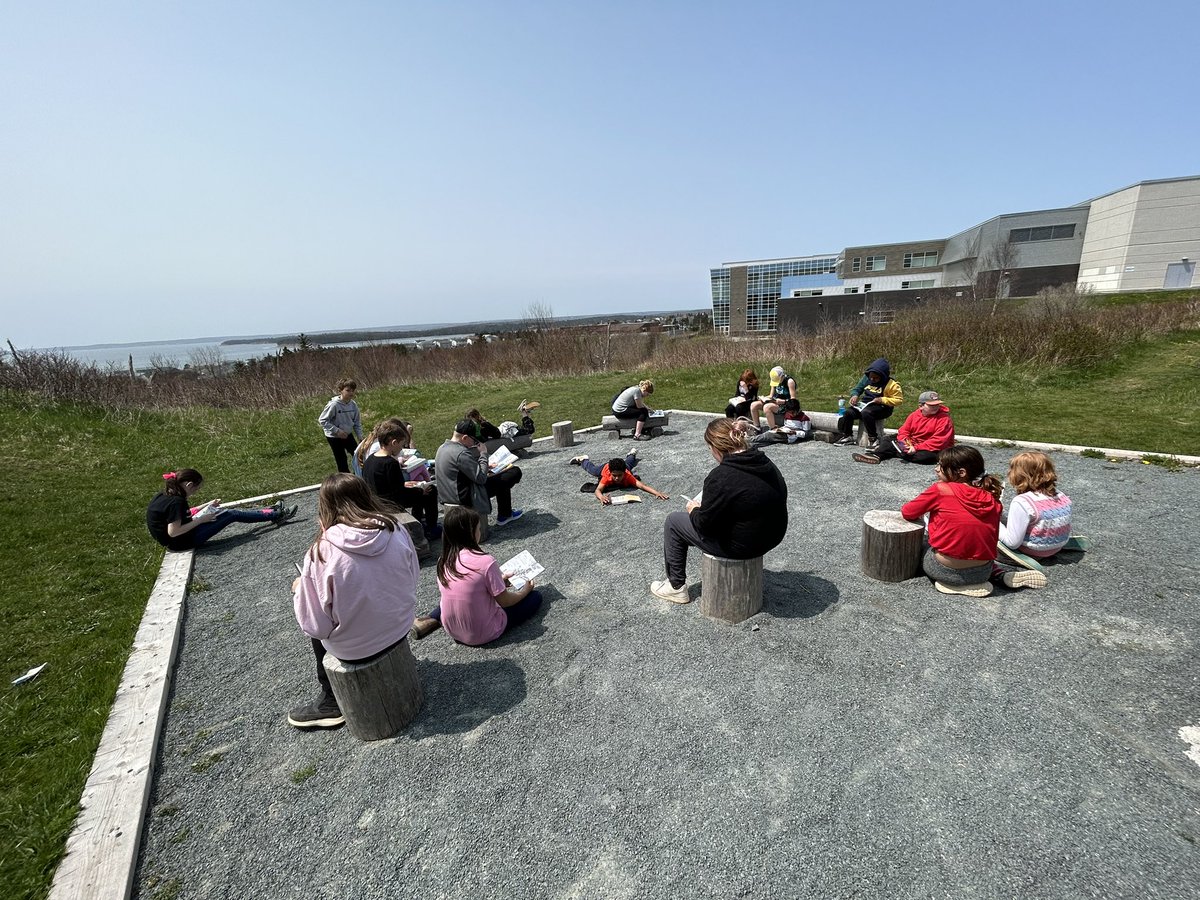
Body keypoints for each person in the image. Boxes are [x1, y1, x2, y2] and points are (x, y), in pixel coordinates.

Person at [289, 474, 419, 729]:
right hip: (400, 625)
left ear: (325, 505)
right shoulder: (394, 527)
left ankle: (330, 701)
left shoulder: (321, 550)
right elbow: (412, 575)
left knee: (315, 616)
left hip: (356, 649)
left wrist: (300, 591)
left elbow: (315, 625)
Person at [650, 418, 788, 604]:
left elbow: (704, 526)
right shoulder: (764, 462)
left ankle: (675, 587)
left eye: (709, 449)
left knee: (674, 522)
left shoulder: (721, 476)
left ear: (716, 447)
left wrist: (694, 510)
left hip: (744, 545)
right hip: (771, 536)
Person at [409, 506, 544, 643]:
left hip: (454, 632)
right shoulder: (486, 561)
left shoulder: (443, 560)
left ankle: (430, 620)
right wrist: (525, 591)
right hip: (482, 633)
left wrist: (499, 581)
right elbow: (505, 602)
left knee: (457, 596)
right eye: (478, 528)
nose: (479, 531)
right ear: (471, 533)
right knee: (535, 597)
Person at [900, 445, 1002, 597]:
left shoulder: (941, 490)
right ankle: (999, 574)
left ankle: (954, 584)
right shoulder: (992, 499)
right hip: (983, 572)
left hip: (943, 570)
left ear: (961, 473)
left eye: (941, 466)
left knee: (922, 545)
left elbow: (907, 512)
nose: (936, 469)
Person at [146, 469, 296, 551]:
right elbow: (173, 531)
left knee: (223, 512)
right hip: (183, 542)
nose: (195, 492)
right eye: (196, 489)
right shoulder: (176, 502)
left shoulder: (166, 494)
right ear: (189, 484)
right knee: (231, 514)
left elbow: (183, 515)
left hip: (180, 539)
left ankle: (270, 511)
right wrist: (201, 520)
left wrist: (206, 506)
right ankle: (277, 514)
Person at [994, 451, 1083, 586]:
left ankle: (1015, 564)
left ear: (1019, 475)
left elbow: (1012, 543)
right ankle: (1051, 542)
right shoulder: (1060, 495)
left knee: (985, 536)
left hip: (1032, 551)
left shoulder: (1022, 501)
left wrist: (994, 520)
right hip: (1056, 546)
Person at [435, 418, 524, 527]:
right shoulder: (461, 453)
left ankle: (505, 513)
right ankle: (505, 514)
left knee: (501, 475)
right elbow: (481, 478)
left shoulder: (442, 448)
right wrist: (483, 454)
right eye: (475, 440)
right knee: (512, 473)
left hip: (450, 495)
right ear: (465, 437)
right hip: (466, 497)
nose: (475, 443)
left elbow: (461, 471)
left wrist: (484, 466)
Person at [361, 421, 441, 540]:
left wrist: (405, 485)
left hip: (376, 500)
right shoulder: (390, 463)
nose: (401, 448)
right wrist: (420, 491)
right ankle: (431, 528)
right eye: (401, 444)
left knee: (417, 490)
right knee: (430, 491)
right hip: (390, 503)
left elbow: (385, 484)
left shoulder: (369, 461)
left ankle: (420, 520)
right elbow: (400, 495)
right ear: (394, 443)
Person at [853, 390, 954, 464]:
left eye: (937, 404)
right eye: (931, 405)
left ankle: (893, 451)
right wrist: (905, 443)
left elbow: (939, 441)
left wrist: (915, 448)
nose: (936, 407)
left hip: (932, 448)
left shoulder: (944, 419)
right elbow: (904, 431)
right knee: (887, 439)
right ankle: (877, 456)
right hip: (913, 444)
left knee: (926, 457)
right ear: (921, 406)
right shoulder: (914, 415)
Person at [835, 358, 903, 447]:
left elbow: (899, 400)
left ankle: (873, 439)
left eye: (876, 378)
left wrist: (882, 400)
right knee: (848, 412)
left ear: (883, 376)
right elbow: (857, 388)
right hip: (865, 405)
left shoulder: (892, 385)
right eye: (871, 377)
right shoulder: (867, 378)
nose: (872, 379)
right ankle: (848, 436)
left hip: (883, 408)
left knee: (866, 413)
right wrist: (855, 395)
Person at [569, 449, 670, 505]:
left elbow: (642, 486)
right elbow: (598, 490)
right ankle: (583, 460)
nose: (617, 478)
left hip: (624, 467)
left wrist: (657, 493)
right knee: (593, 470)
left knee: (628, 464)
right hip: (605, 467)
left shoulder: (627, 475)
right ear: (611, 473)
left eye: (619, 476)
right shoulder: (607, 475)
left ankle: (631, 454)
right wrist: (601, 497)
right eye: (614, 476)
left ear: (624, 473)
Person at [318, 379, 364, 474]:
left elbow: (356, 422)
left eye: (352, 390)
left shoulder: (353, 405)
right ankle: (345, 479)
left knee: (358, 454)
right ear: (340, 390)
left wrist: (360, 436)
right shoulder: (334, 405)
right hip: (334, 437)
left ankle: (359, 474)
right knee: (341, 458)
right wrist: (337, 431)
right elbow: (322, 420)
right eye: (348, 390)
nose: (350, 393)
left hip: (347, 434)